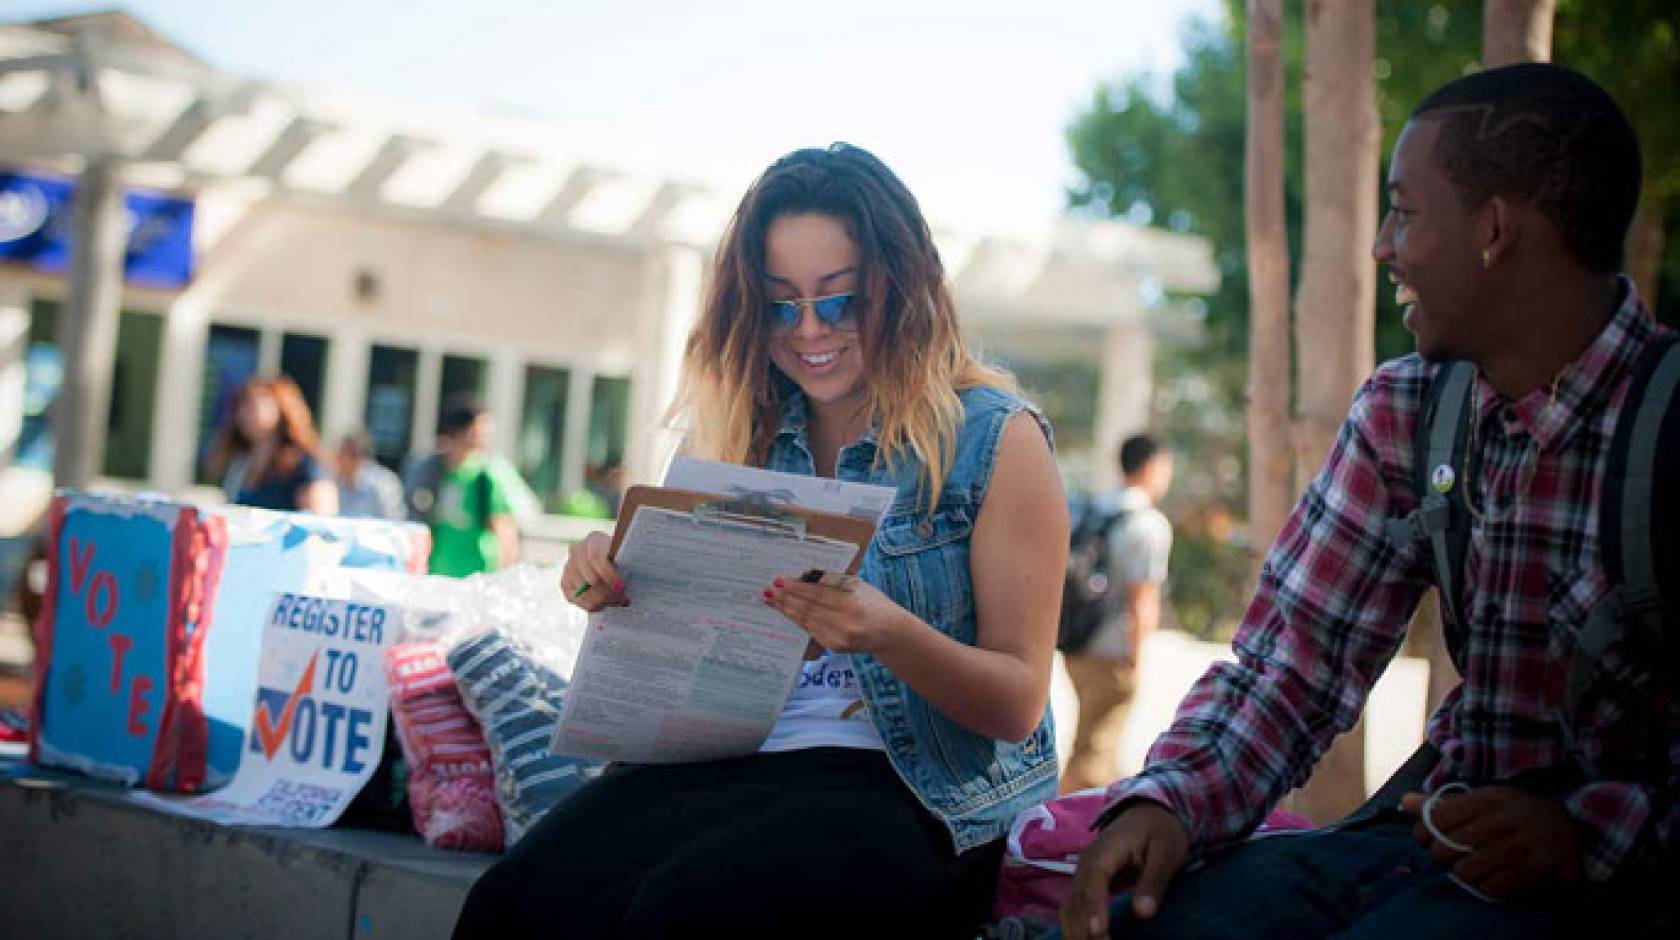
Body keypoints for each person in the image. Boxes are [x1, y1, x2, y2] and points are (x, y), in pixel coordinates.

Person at [1061, 64, 1674, 940]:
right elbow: (1291, 667)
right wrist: (1168, 803)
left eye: (1405, 210)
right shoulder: (1409, 410)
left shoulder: (1666, 423)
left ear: (1496, 230)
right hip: (1421, 851)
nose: (1383, 246)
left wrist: (1586, 835)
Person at [454, 143, 1069, 938]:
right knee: (512, 905)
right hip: (727, 767)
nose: (809, 330)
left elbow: (1018, 701)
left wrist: (888, 634)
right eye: (781, 305)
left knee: (684, 915)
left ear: (902, 289)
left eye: (839, 300)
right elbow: (679, 651)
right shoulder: (738, 429)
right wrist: (617, 587)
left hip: (914, 794)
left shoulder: (994, 440)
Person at [1061, 434, 1174, 794]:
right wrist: (1138, 658)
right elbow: (1142, 597)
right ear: (1152, 467)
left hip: (1075, 642)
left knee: (1096, 747)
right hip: (1112, 652)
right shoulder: (1148, 524)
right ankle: (1064, 837)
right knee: (1093, 757)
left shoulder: (1094, 510)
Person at [415, 397, 520, 577]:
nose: (487, 434)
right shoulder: (435, 471)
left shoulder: (487, 475)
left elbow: (504, 528)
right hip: (438, 571)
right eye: (481, 427)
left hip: (476, 575)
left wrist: (504, 577)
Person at [205, 376, 337, 514]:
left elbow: (321, 521)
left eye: (254, 406)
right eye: (242, 406)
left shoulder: (304, 464)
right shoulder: (238, 463)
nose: (246, 414)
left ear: (281, 409)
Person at [332, 430, 404, 520]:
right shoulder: (335, 483)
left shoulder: (385, 485)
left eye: (352, 455)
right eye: (340, 453)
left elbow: (393, 523)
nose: (343, 460)